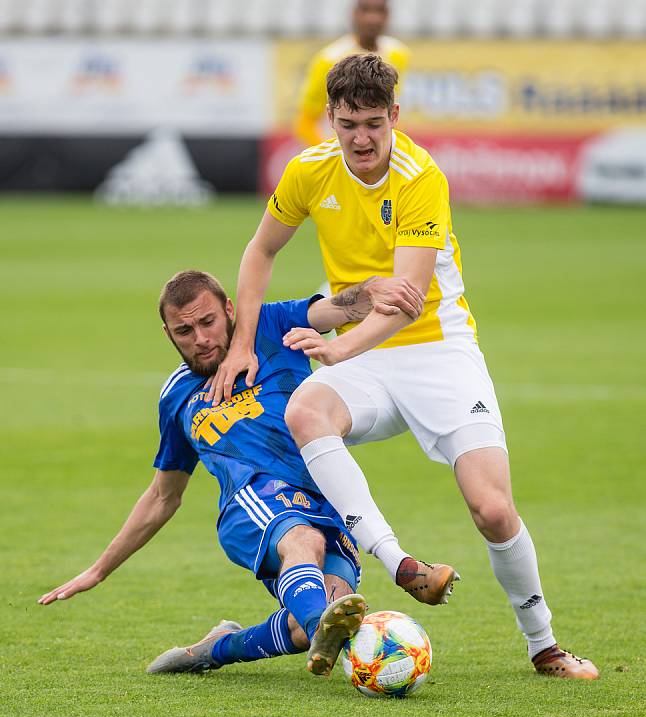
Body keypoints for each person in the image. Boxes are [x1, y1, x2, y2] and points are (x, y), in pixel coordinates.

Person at [209, 55, 599, 680]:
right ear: (330, 120)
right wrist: (242, 344)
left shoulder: (421, 177)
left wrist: (338, 348)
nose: (360, 138)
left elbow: (407, 299)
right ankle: (399, 566)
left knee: (493, 511)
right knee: (306, 409)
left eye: (371, 123)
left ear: (394, 116)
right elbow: (260, 251)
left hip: (438, 351)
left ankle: (544, 644)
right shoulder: (310, 170)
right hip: (368, 354)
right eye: (346, 124)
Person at [37, 269, 400, 678]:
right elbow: (163, 496)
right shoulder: (177, 396)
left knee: (312, 619)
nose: (200, 339)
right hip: (253, 502)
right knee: (306, 547)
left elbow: (340, 308)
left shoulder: (273, 324)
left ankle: (219, 648)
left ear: (230, 309)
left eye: (208, 322)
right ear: (168, 334)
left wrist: (378, 290)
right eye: (184, 330)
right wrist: (98, 569)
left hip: (328, 495)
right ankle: (322, 629)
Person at [295, 0, 409, 147]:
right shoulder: (329, 59)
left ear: (388, 15)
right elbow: (305, 121)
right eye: (365, 10)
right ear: (353, 13)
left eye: (379, 11)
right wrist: (332, 154)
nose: (372, 18)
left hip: (378, 155)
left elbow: (388, 110)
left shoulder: (398, 54)